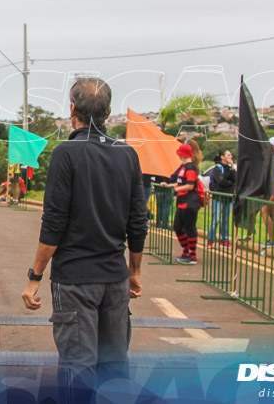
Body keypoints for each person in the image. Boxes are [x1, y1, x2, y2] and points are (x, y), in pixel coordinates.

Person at [21, 77, 148, 397]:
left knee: (78, 369)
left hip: (75, 281)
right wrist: (134, 272)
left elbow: (53, 223)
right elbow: (138, 222)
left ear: (73, 109)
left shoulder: (66, 153)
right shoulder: (127, 154)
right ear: (107, 112)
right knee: (115, 367)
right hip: (115, 280)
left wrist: (34, 275)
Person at [171, 141, 202, 264]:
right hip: (183, 200)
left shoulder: (190, 167)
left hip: (189, 201)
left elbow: (190, 185)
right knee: (178, 227)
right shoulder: (184, 167)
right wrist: (171, 185)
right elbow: (181, 182)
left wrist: (176, 189)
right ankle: (186, 250)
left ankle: (192, 254)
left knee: (189, 227)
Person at [206, 149, 236, 246]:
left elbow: (236, 179)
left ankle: (224, 240)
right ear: (222, 157)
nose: (230, 157)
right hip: (218, 197)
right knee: (216, 219)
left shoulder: (230, 168)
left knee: (226, 220)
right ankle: (211, 239)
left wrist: (232, 166)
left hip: (228, 198)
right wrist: (230, 184)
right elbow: (220, 181)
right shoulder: (217, 168)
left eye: (231, 155)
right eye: (228, 155)